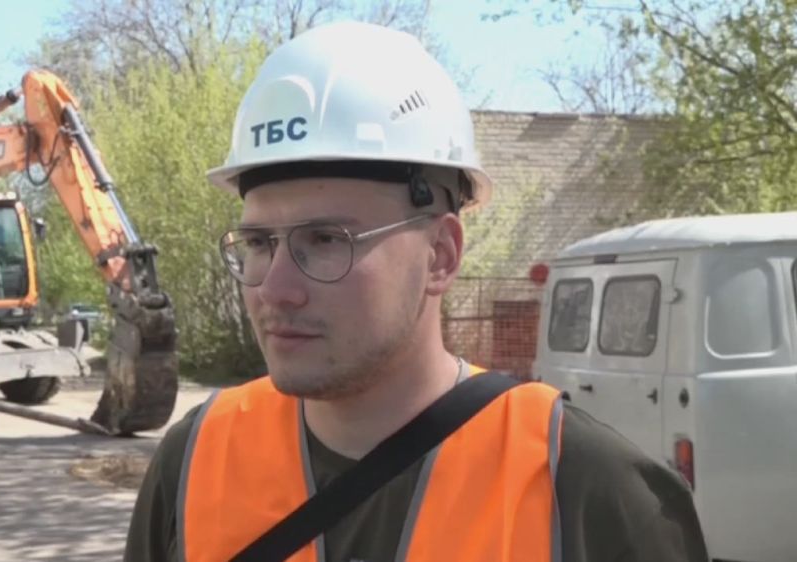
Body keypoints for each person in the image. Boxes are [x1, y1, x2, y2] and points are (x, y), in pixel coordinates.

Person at [125, 21, 708, 562]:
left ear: (440, 255)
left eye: (325, 240)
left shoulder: (588, 490)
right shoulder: (194, 461)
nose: (274, 289)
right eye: (257, 243)